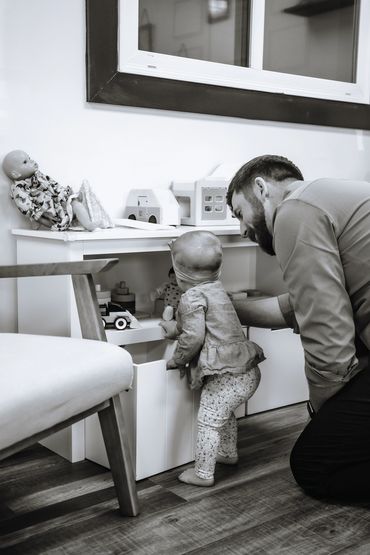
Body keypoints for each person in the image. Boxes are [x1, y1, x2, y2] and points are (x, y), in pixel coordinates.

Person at [227, 154, 370, 501]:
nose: (241, 230)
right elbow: (301, 305)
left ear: (261, 189)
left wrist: (322, 411)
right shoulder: (335, 199)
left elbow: (326, 330)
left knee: (314, 464)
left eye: (238, 213)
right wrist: (223, 306)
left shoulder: (295, 210)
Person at [160, 230, 265, 487]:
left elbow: (193, 337)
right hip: (246, 371)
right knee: (224, 414)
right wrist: (173, 328)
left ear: (177, 271)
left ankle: (203, 474)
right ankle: (227, 453)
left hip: (226, 376)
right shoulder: (218, 290)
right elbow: (201, 327)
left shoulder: (190, 297)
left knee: (208, 420)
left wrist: (178, 359)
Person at [2, 150, 113, 231]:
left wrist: (65, 193)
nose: (31, 161)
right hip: (52, 214)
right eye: (25, 162)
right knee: (73, 206)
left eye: (30, 158)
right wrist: (45, 222)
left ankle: (89, 224)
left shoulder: (39, 176)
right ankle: (84, 223)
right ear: (16, 174)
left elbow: (53, 186)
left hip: (61, 204)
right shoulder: (19, 189)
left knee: (76, 203)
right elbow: (28, 209)